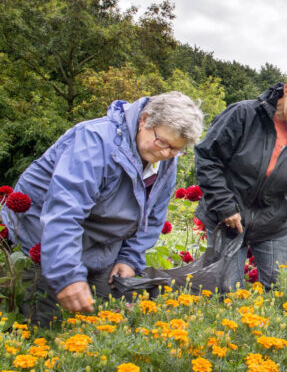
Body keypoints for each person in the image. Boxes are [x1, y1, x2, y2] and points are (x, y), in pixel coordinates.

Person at [1, 92, 204, 325]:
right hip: (45, 244)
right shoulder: (94, 141)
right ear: (144, 121)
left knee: (104, 322)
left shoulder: (165, 158)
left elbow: (153, 214)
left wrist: (129, 258)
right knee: (42, 327)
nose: (167, 154)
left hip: (101, 248)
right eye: (163, 143)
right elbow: (64, 213)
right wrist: (68, 275)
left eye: (176, 149)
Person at [194, 60, 287, 291]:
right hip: (228, 220)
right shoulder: (243, 115)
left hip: (272, 225)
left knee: (283, 291)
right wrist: (225, 206)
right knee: (228, 293)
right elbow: (207, 158)